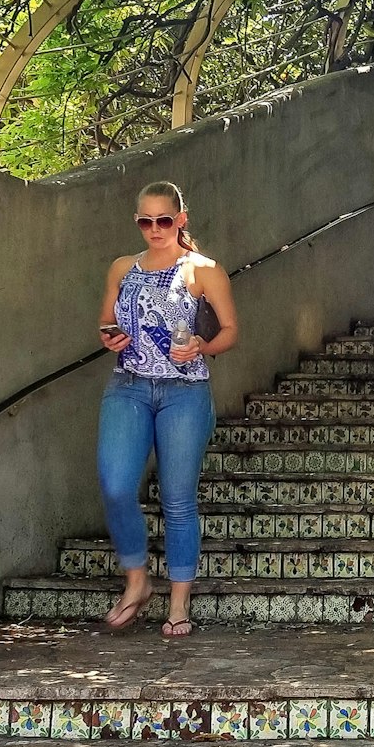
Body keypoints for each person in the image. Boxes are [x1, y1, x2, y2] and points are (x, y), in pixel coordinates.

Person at [96, 181, 238, 636]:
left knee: (178, 499)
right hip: (128, 385)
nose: (154, 229)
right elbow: (106, 321)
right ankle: (137, 582)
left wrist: (202, 344)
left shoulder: (203, 270)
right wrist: (109, 335)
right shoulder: (122, 266)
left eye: (163, 220)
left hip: (185, 392)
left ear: (181, 220)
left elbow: (231, 330)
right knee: (116, 485)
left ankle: (179, 602)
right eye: (145, 221)